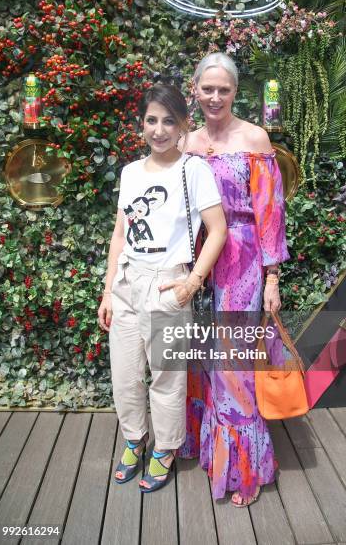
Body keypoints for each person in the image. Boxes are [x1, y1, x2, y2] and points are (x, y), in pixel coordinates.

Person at [98, 83, 227, 493]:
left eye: (168, 120)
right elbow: (120, 235)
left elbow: (218, 230)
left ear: (183, 125)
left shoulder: (194, 170)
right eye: (151, 120)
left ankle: (165, 449)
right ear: (142, 124)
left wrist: (192, 282)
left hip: (168, 283)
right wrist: (106, 290)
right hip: (127, 282)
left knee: (166, 379)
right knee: (124, 374)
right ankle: (134, 440)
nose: (159, 129)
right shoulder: (131, 172)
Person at [178, 53, 290, 506]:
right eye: (208, 88)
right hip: (195, 262)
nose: (215, 96)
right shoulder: (185, 141)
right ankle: (212, 450)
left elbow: (271, 214)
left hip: (242, 262)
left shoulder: (255, 138)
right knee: (203, 358)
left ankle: (243, 470)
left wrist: (272, 278)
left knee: (235, 365)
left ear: (235, 92)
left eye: (224, 89)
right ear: (195, 89)